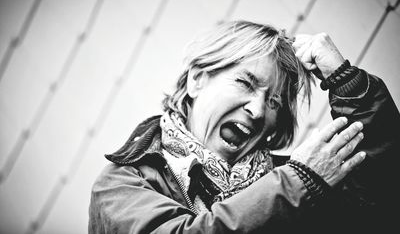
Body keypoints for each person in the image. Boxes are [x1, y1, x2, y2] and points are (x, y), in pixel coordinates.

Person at [89, 21, 399, 233]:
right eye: (244, 82)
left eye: (275, 102)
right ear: (197, 79)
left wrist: (346, 81)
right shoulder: (119, 186)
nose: (257, 109)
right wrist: (296, 185)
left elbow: (383, 193)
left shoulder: (300, 185)